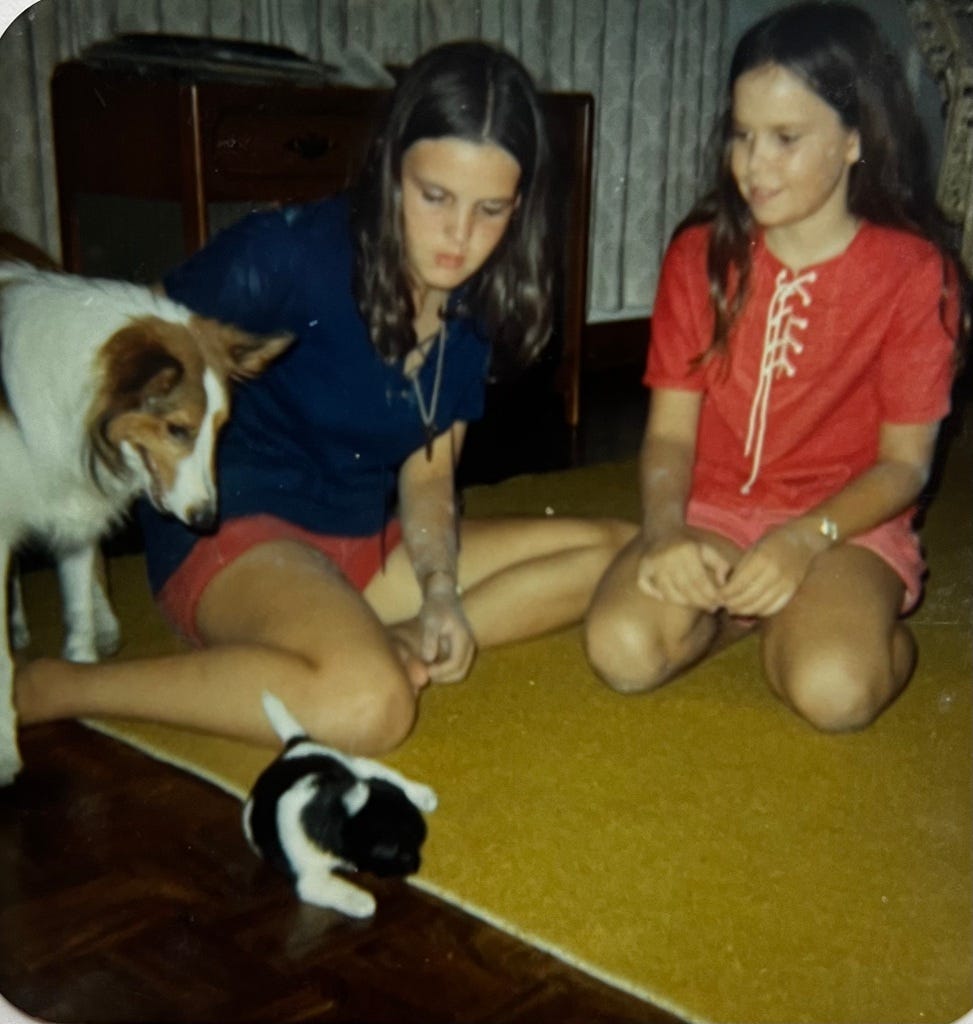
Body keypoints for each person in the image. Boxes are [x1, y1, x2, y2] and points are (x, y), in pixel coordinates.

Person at [13, 41, 635, 757]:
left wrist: (438, 591)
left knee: (619, 550)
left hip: (361, 540)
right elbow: (136, 338)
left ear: (518, 204)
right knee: (369, 706)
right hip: (238, 536)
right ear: (390, 166)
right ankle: (58, 687)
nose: (459, 239)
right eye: (435, 196)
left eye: (490, 209)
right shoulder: (281, 252)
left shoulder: (481, 300)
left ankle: (385, 637)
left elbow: (429, 474)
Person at [584, 2, 964, 732]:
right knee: (620, 651)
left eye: (785, 139)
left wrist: (801, 540)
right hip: (713, 511)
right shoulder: (698, 256)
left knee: (834, 694)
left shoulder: (916, 274)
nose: (753, 165)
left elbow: (904, 469)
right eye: (741, 135)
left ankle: (835, 620)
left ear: (854, 140)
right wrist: (664, 529)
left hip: (843, 523)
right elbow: (668, 437)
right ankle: (747, 614)